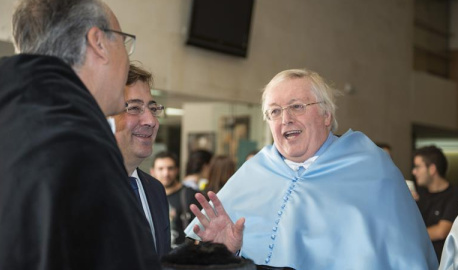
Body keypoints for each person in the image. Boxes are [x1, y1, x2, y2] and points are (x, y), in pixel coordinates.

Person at [185, 69, 438, 269]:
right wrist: (228, 254)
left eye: (297, 106)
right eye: (275, 111)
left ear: (327, 115)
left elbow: (403, 257)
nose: (286, 119)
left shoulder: (371, 169)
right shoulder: (253, 173)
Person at [0, 0, 161, 268]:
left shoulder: (3, 125)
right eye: (124, 42)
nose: (125, 59)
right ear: (98, 43)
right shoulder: (79, 150)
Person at [112, 64, 171, 257]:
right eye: (135, 108)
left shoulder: (155, 190)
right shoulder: (77, 189)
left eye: (153, 109)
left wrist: (215, 251)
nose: (151, 121)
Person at [412, 145, 458, 261]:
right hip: (418, 261)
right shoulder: (419, 194)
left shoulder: (455, 195)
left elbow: (441, 231)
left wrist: (410, 236)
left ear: (432, 169)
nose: (414, 171)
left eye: (418, 167)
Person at [151, 151, 199, 249]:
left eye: (170, 168)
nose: (166, 173)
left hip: (184, 257)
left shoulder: (190, 195)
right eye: (160, 169)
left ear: (177, 170)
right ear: (152, 172)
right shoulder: (148, 195)